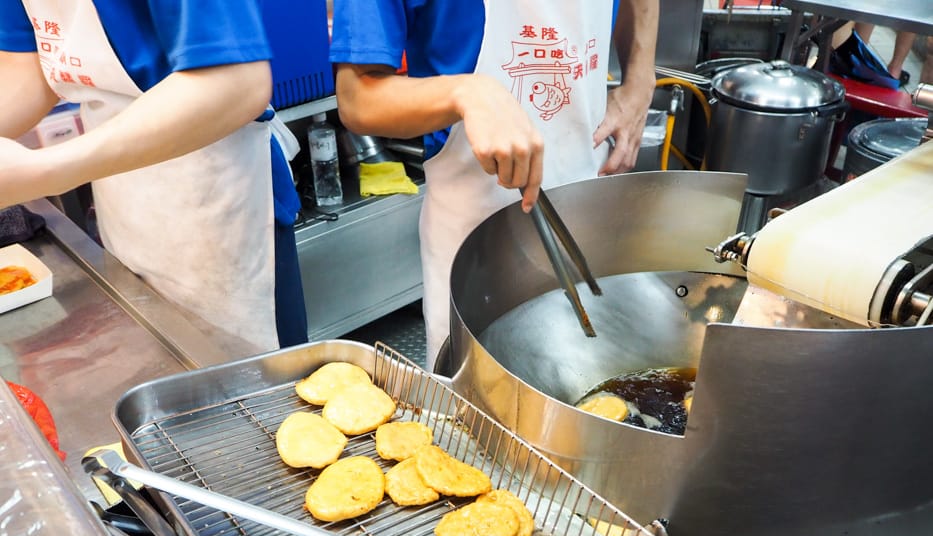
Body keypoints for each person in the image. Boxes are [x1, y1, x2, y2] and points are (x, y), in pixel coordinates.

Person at [331, 1, 659, 367]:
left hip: (591, 202)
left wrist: (641, 81)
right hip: (476, 240)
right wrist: (466, 93)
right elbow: (356, 97)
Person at [0, 0, 308, 354]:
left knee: (258, 382)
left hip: (213, 189)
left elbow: (236, 81)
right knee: (160, 352)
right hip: (121, 189)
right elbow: (29, 64)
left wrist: (48, 171)